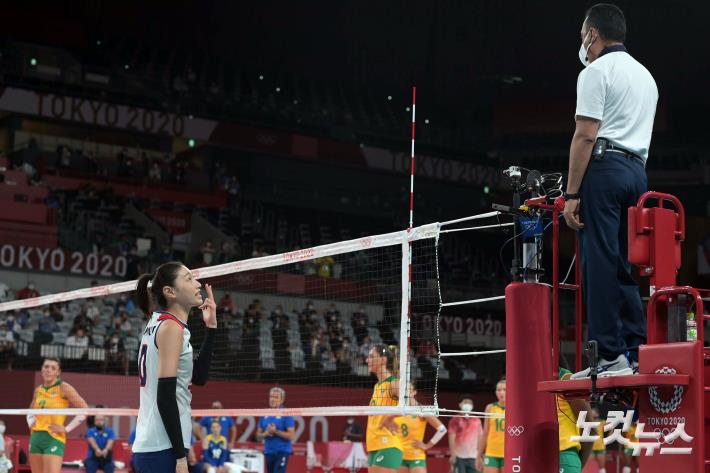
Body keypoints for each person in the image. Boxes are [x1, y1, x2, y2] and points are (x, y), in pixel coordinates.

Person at [562, 3, 658, 378]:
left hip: (605, 168)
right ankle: (635, 349)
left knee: (599, 262)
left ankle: (607, 356)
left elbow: (585, 134)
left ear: (591, 34)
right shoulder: (646, 76)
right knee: (622, 264)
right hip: (638, 174)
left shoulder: (596, 72)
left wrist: (571, 194)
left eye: (582, 35)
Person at [131, 262, 218, 473]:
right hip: (162, 447)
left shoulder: (161, 323)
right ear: (170, 292)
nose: (197, 284)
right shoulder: (171, 328)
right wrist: (180, 456)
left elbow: (198, 377)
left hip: (159, 445)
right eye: (188, 279)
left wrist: (212, 328)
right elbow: (165, 397)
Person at [28, 357, 89, 473]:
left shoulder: (64, 388)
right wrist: (31, 422)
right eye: (46, 367)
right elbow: (30, 411)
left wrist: (66, 429)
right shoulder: (38, 390)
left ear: (58, 372)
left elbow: (85, 409)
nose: (48, 370)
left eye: (53, 368)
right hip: (36, 438)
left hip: (53, 438)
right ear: (41, 369)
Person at [365, 344, 403, 472]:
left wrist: (390, 418)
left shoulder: (394, 383)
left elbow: (410, 404)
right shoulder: (377, 386)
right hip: (373, 445)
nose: (367, 360)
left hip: (388, 443)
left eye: (371, 357)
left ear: (383, 360)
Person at [395, 383, 447, 473]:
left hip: (416, 456)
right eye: (404, 390)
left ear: (414, 392)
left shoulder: (421, 410)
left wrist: (427, 446)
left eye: (409, 390)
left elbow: (442, 429)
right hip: (399, 456)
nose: (406, 393)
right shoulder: (396, 411)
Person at [557, 368, 591, 473]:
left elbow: (589, 426)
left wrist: (577, 465)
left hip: (564, 455)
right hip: (536, 456)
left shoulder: (565, 378)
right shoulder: (526, 381)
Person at [256, 387, 295, 473]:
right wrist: (265, 434)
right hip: (268, 452)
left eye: (276, 397)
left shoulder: (287, 413)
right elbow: (258, 437)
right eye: (271, 397)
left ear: (282, 400)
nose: (272, 399)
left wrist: (276, 431)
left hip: (282, 451)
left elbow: (291, 436)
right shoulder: (264, 414)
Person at [448, 395, 482, 473]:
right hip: (459, 457)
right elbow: (451, 438)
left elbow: (480, 438)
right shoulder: (454, 419)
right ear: (460, 404)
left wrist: (479, 455)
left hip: (474, 457)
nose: (467, 405)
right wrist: (453, 455)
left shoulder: (477, 420)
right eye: (465, 402)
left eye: (470, 403)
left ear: (472, 406)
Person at [477, 379, 505, 473]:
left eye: (504, 390)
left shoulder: (515, 408)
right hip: (491, 452)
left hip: (508, 453)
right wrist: (478, 455)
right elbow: (485, 433)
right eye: (499, 390)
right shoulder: (490, 408)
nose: (501, 393)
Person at [589, 408, 607, 473]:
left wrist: (608, 438)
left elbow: (612, 426)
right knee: (584, 465)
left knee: (602, 467)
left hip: (600, 446)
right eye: (590, 412)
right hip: (590, 447)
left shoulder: (602, 422)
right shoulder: (587, 422)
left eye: (592, 412)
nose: (591, 413)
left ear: (597, 414)